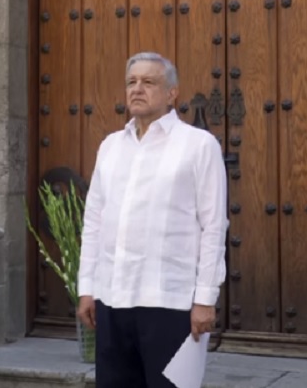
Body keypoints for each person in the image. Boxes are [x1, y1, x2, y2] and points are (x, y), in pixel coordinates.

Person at [76, 52, 229, 387]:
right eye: (132, 82)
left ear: (172, 93)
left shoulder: (198, 145)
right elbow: (94, 222)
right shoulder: (111, 146)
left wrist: (205, 298)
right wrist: (87, 287)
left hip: (169, 302)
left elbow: (214, 226)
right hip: (113, 300)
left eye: (149, 82)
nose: (137, 89)